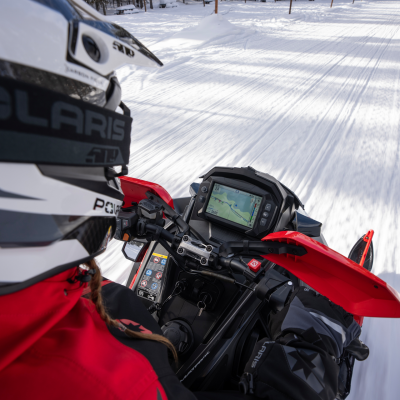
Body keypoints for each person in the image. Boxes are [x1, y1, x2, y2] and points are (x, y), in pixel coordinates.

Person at [0, 1, 367, 399]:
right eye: (103, 131)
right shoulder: (124, 384)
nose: (110, 170)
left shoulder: (63, 297)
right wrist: (309, 345)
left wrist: (122, 221)